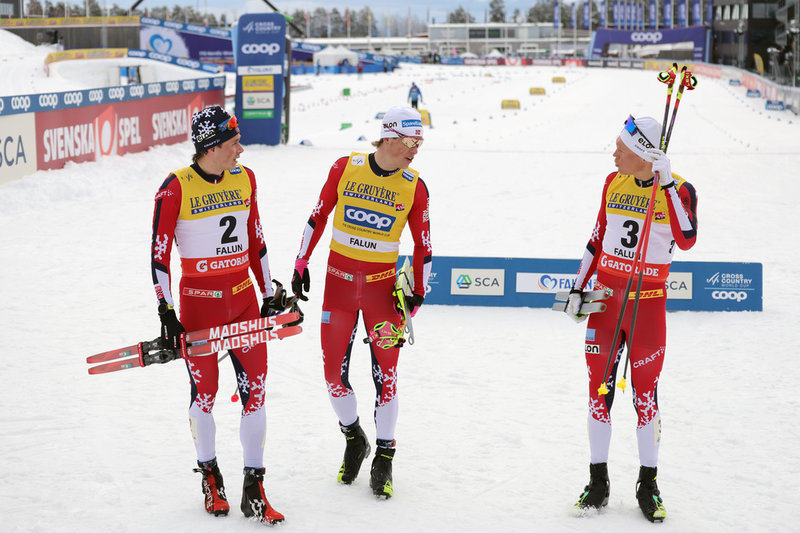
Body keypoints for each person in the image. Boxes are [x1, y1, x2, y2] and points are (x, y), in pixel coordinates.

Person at [151, 105, 286, 525]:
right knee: (205, 395)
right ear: (211, 146)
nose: (240, 149)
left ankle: (254, 487)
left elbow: (255, 238)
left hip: (244, 300)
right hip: (200, 305)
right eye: (233, 143)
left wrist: (269, 291)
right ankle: (210, 477)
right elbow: (158, 256)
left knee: (256, 392)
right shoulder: (175, 187)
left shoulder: (245, 178)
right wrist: (166, 309)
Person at [290, 106, 432, 499]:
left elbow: (424, 247)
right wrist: (301, 261)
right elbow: (318, 216)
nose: (415, 149)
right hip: (337, 285)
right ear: (388, 137)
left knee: (387, 377)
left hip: (383, 294)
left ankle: (384, 455)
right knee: (333, 375)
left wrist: (417, 293)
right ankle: (354, 437)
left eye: (420, 143)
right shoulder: (345, 167)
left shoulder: (415, 186)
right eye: (410, 141)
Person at [565, 115, 698, 522]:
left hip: (647, 306)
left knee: (644, 397)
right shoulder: (612, 182)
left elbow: (688, 238)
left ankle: (649, 483)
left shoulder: (679, 190)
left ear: (642, 152)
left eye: (621, 148)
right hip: (605, 301)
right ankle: (598, 479)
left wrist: (669, 183)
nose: (614, 153)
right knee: (598, 393)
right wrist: (576, 286)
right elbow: (597, 235)